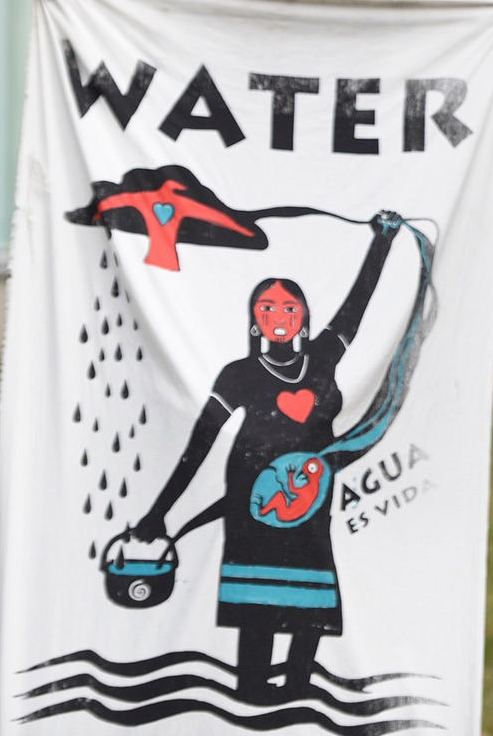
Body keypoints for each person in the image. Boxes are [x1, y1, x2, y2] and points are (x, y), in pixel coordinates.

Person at [131, 214, 398, 704]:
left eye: (289, 306)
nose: (278, 314)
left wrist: (384, 240)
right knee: (256, 604)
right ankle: (253, 694)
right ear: (255, 319)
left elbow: (356, 307)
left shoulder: (322, 358)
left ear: (304, 317)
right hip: (252, 496)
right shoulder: (236, 375)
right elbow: (200, 445)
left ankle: (297, 693)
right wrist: (157, 512)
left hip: (311, 496)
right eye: (268, 306)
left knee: (310, 595)